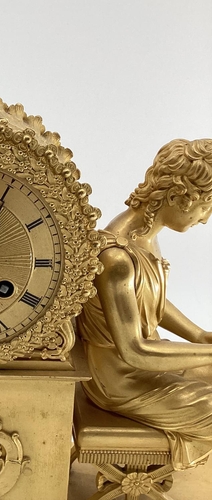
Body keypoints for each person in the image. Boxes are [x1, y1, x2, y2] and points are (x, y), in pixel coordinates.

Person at [77, 138, 212, 471]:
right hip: (120, 381)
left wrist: (199, 335)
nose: (206, 218)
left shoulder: (144, 238)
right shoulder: (116, 258)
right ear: (179, 197)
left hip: (146, 364)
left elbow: (154, 304)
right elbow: (134, 350)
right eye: (207, 205)